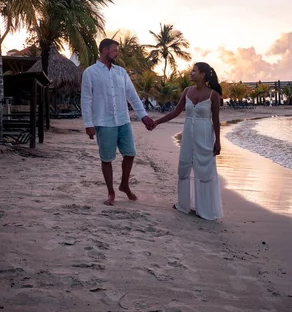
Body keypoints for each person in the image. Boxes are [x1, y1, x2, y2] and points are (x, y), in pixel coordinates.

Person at [81, 38, 155, 206]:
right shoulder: (90, 73)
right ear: (105, 50)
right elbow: (86, 100)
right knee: (107, 159)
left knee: (130, 153)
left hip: (123, 120)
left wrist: (143, 116)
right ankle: (111, 192)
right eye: (114, 50)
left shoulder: (121, 72)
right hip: (103, 122)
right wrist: (88, 124)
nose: (117, 53)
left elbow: (132, 96)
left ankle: (124, 185)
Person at [153, 62, 223, 220]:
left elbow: (216, 121)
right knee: (185, 165)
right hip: (188, 136)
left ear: (203, 74)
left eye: (194, 71)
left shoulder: (213, 95)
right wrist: (157, 122)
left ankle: (205, 208)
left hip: (204, 134)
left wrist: (218, 141)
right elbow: (176, 112)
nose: (191, 73)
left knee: (204, 168)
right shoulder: (187, 91)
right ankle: (184, 205)